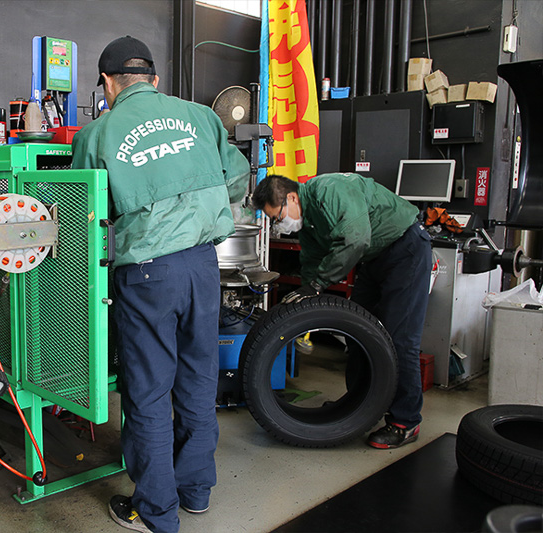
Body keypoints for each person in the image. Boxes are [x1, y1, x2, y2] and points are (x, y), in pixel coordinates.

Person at [71, 36, 250, 533]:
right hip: (203, 266)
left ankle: (155, 511)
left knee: (148, 393)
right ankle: (195, 492)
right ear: (154, 78)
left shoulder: (98, 133)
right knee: (197, 380)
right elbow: (237, 179)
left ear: (107, 83)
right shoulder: (202, 117)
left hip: (148, 273)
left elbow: (81, 211)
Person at [251, 173, 432, 449]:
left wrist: (318, 283)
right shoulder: (308, 222)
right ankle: (359, 406)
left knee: (399, 339)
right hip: (375, 258)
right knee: (359, 332)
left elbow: (355, 239)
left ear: (291, 197)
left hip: (405, 248)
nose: (280, 225)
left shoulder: (330, 191)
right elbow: (312, 261)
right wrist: (305, 300)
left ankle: (406, 422)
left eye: (278, 217)